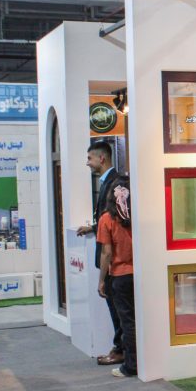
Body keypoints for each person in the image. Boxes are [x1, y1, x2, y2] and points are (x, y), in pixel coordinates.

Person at [77, 140, 124, 366]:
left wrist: (104, 271)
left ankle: (121, 350)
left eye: (90, 158)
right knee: (115, 308)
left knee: (118, 310)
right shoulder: (108, 182)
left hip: (115, 260)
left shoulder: (115, 183)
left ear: (101, 158)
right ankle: (121, 348)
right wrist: (92, 228)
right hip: (112, 260)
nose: (87, 163)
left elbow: (114, 221)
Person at [96, 176, 136, 378]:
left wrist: (102, 280)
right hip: (141, 274)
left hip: (120, 276)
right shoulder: (137, 216)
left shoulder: (106, 219)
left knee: (127, 322)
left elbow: (107, 253)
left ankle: (131, 365)